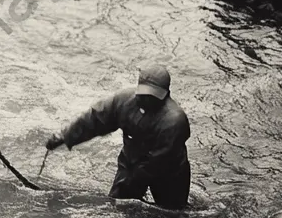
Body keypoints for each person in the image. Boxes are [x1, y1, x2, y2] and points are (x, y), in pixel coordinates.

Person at [45, 65, 191, 210]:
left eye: (154, 96)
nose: (148, 99)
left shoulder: (174, 121)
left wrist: (134, 183)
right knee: (119, 207)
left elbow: (157, 162)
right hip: (131, 162)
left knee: (173, 214)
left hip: (169, 172)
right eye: (145, 94)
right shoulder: (123, 101)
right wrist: (66, 135)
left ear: (166, 94)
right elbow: (95, 120)